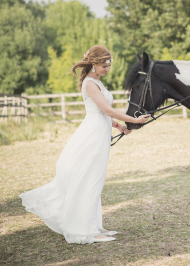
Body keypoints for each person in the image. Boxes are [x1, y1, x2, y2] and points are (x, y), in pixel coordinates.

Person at [20, 45, 149, 244]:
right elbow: (107, 110)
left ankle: (95, 226)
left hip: (100, 133)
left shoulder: (97, 81)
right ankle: (85, 229)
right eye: (104, 65)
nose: (108, 69)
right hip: (92, 137)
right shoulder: (90, 83)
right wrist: (135, 120)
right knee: (90, 180)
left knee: (96, 180)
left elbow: (101, 113)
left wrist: (119, 127)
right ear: (94, 64)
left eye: (109, 65)